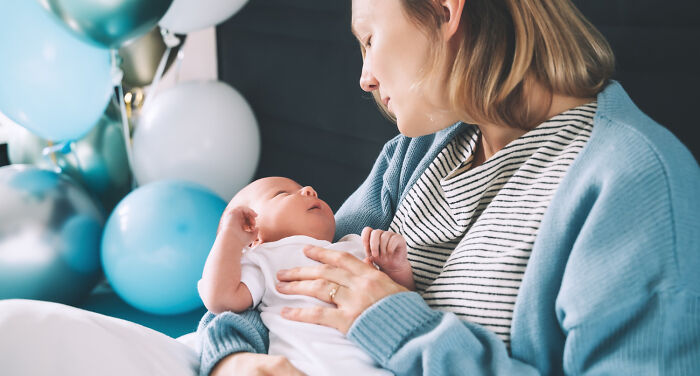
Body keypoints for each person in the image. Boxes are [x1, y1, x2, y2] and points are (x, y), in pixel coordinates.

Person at [197, 0, 700, 375]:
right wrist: (232, 360)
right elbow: (284, 277)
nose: (365, 79)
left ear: (444, 8)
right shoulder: (413, 157)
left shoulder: (633, 183)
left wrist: (396, 324)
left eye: (369, 39)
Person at [198, 176, 413, 375]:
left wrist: (395, 269)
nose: (310, 190)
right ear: (252, 234)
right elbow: (220, 300)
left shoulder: (355, 245)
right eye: (282, 194)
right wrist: (230, 239)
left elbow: (398, 303)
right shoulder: (265, 258)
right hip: (304, 366)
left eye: (305, 189)